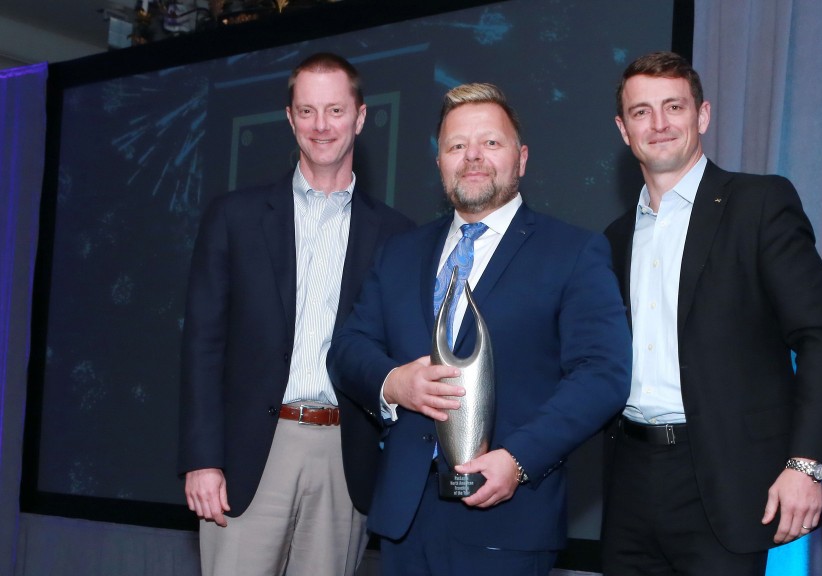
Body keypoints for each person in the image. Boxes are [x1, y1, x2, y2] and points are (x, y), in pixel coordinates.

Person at [327, 82, 631, 576]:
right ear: (440, 161)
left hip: (508, 521)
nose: (473, 157)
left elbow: (604, 375)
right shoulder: (401, 252)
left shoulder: (573, 252)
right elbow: (348, 348)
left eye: (490, 142)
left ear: (522, 158)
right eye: (456, 146)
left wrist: (519, 459)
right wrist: (393, 382)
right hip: (406, 521)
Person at [601, 51, 822, 576]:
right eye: (643, 112)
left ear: (703, 116)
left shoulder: (759, 203)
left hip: (726, 480)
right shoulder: (614, 238)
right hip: (630, 483)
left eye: (674, 106)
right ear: (624, 131)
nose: (661, 123)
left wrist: (807, 465)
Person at [178, 52, 414, 576]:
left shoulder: (398, 236)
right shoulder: (233, 218)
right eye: (306, 111)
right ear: (289, 119)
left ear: (359, 117)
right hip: (247, 456)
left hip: (346, 456)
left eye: (334, 110)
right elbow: (202, 347)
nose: (321, 125)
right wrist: (201, 458)